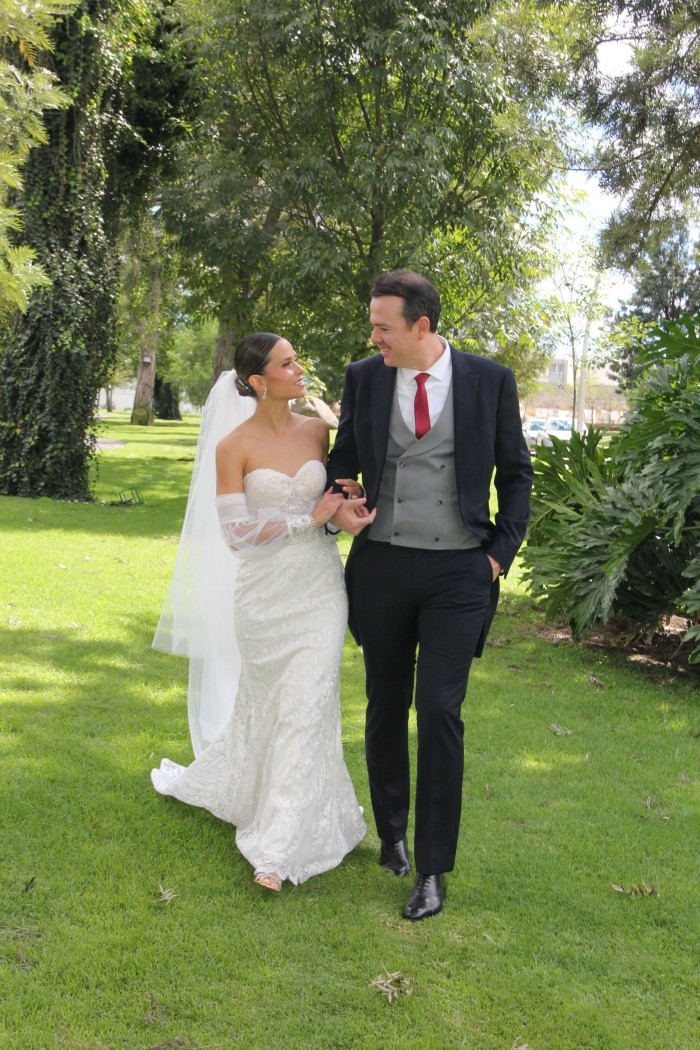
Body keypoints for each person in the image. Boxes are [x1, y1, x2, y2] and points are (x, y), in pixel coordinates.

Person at [327, 270, 533, 920]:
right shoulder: (365, 378)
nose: (374, 337)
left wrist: (497, 557)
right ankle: (391, 832)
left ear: (421, 326)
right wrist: (342, 499)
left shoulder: (489, 381)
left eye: (383, 326)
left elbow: (517, 473)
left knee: (440, 710)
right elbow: (342, 460)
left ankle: (433, 870)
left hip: (459, 574)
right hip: (382, 567)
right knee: (385, 702)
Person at [151, 332, 369, 891]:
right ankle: (256, 797)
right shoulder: (233, 447)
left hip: (320, 590)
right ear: (258, 381)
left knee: (306, 705)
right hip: (264, 597)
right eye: (287, 363)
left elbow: (335, 498)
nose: (299, 369)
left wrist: (344, 508)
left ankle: (275, 849)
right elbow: (237, 536)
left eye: (297, 360)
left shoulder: (317, 430)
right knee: (269, 705)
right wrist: (306, 519)